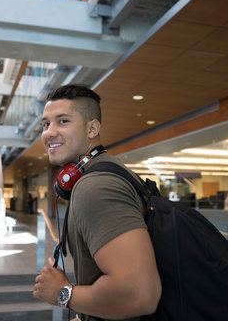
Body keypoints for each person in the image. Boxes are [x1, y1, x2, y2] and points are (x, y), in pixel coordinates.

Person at [33, 85, 161, 321]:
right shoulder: (107, 171)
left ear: (92, 128)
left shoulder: (96, 187)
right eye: (45, 124)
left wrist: (63, 294)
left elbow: (140, 295)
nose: (49, 132)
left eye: (62, 121)